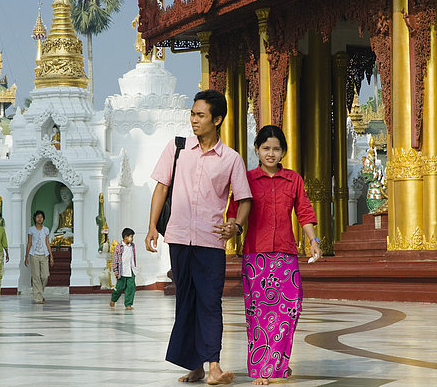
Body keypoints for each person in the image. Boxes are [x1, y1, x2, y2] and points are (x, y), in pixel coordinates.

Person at [145, 89, 253, 385]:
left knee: (209, 302)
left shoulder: (230, 159)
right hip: (178, 237)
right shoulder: (177, 148)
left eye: (200, 115)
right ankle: (195, 365)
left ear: (217, 119)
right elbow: (162, 187)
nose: (194, 120)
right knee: (186, 301)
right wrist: (152, 226)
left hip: (210, 242)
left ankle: (214, 365)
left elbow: (244, 199)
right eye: (192, 114)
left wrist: (236, 226)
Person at [227, 125, 321, 385]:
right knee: (258, 313)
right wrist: (230, 229)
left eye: (276, 149)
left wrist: (313, 240)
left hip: (286, 255)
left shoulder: (294, 179)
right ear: (257, 149)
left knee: (288, 311)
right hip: (255, 255)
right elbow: (234, 209)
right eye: (266, 148)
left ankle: (278, 363)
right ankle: (262, 369)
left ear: (283, 152)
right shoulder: (246, 179)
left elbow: (304, 212)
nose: (271, 153)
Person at [24, 210, 54, 304]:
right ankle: (38, 298)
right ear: (35, 218)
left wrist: (51, 256)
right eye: (38, 217)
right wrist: (26, 256)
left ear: (43, 218)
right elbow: (29, 243)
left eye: (41, 217)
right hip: (34, 254)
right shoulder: (31, 230)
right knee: (36, 276)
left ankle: (40, 293)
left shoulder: (46, 230)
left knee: (45, 276)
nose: (39, 219)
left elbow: (47, 243)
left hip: (44, 254)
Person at [110, 228, 138, 310]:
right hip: (122, 271)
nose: (132, 239)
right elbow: (115, 259)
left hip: (131, 270)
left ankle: (128, 304)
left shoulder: (132, 246)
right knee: (119, 287)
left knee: (131, 287)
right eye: (130, 237)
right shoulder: (119, 247)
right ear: (125, 237)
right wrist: (115, 270)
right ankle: (113, 299)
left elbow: (133, 257)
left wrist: (134, 267)